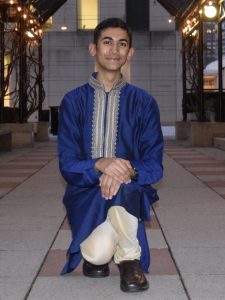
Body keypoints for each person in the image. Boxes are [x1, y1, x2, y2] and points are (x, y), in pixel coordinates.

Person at [57, 17, 163, 293]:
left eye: (122, 44)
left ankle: (129, 260)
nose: (114, 50)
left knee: (124, 185)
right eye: (107, 42)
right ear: (93, 49)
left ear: (130, 53)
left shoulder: (144, 103)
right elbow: (67, 165)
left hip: (129, 194)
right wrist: (101, 165)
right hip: (86, 197)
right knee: (96, 255)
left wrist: (125, 170)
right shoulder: (72, 102)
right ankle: (100, 256)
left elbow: (154, 165)